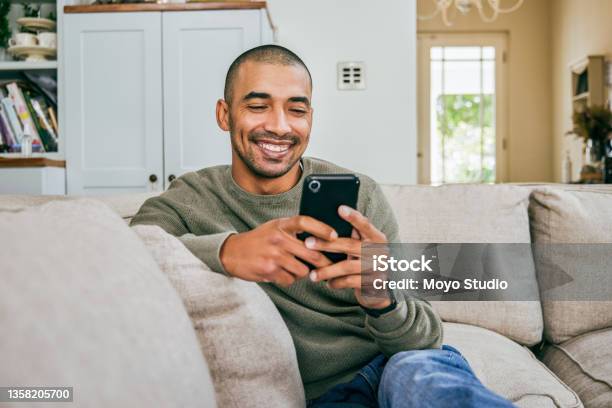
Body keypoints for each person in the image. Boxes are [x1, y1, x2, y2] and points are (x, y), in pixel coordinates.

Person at [130, 44, 515, 408]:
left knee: (420, 377)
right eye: (259, 106)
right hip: (328, 395)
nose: (280, 127)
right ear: (224, 114)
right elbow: (126, 252)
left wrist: (380, 298)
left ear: (310, 117)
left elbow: (425, 340)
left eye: (296, 110)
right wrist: (228, 251)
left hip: (393, 366)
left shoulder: (361, 196)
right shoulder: (192, 198)